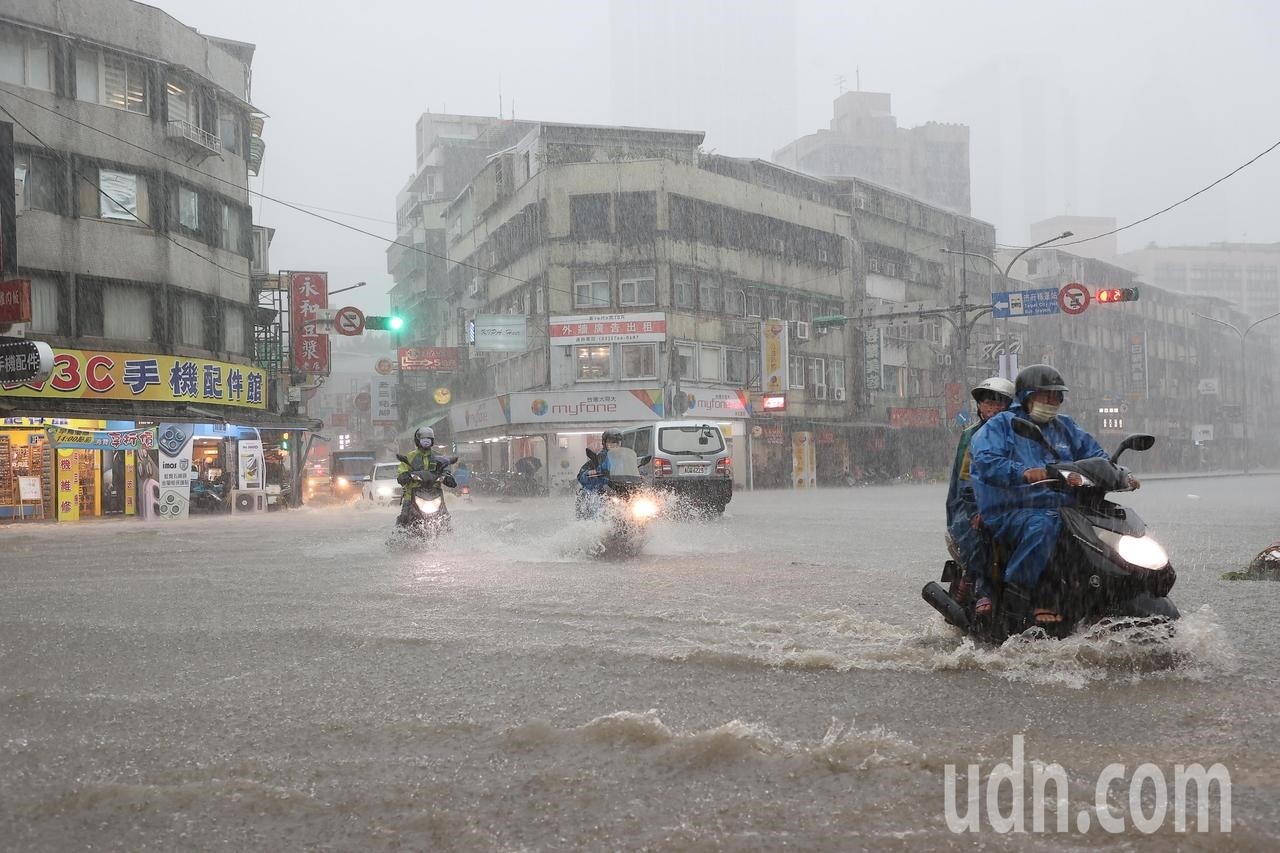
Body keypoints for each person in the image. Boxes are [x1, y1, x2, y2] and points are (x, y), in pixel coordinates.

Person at [970, 364, 1137, 625]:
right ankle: (1025, 596)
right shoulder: (1002, 426)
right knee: (1046, 525)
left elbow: (1096, 455)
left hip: (1063, 506)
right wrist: (1024, 472)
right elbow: (986, 460)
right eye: (1046, 395)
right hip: (1011, 509)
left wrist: (1120, 475)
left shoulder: (1066, 427)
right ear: (1026, 396)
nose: (1053, 402)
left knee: (1103, 525)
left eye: (1057, 396)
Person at [944, 376, 1015, 616]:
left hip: (1012, 503)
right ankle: (981, 585)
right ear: (980, 407)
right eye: (988, 403)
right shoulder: (973, 436)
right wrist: (976, 510)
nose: (993, 409)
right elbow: (966, 481)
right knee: (983, 530)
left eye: (999, 404)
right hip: (968, 505)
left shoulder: (1019, 434)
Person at [396, 426, 456, 526]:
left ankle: (449, 537)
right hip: (412, 495)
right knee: (403, 519)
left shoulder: (438, 457)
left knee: (446, 519)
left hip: (434, 494)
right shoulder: (410, 456)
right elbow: (402, 472)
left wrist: (447, 477)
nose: (426, 442)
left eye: (428, 439)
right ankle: (399, 539)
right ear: (418, 441)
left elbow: (446, 471)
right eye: (423, 439)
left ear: (432, 441)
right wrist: (405, 476)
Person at [576, 429, 622, 517]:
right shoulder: (599, 458)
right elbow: (581, 475)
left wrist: (639, 474)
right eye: (610, 442)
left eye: (616, 442)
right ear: (604, 443)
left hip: (619, 489)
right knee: (597, 503)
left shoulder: (624, 458)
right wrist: (590, 473)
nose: (613, 445)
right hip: (601, 491)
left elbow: (631, 469)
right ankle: (595, 522)